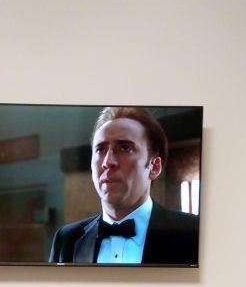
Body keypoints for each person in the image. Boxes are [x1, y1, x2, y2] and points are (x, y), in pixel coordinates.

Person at [48, 106, 199, 265]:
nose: (108, 162)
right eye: (100, 150)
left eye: (125, 148)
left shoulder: (192, 232)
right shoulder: (66, 240)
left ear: (154, 167)